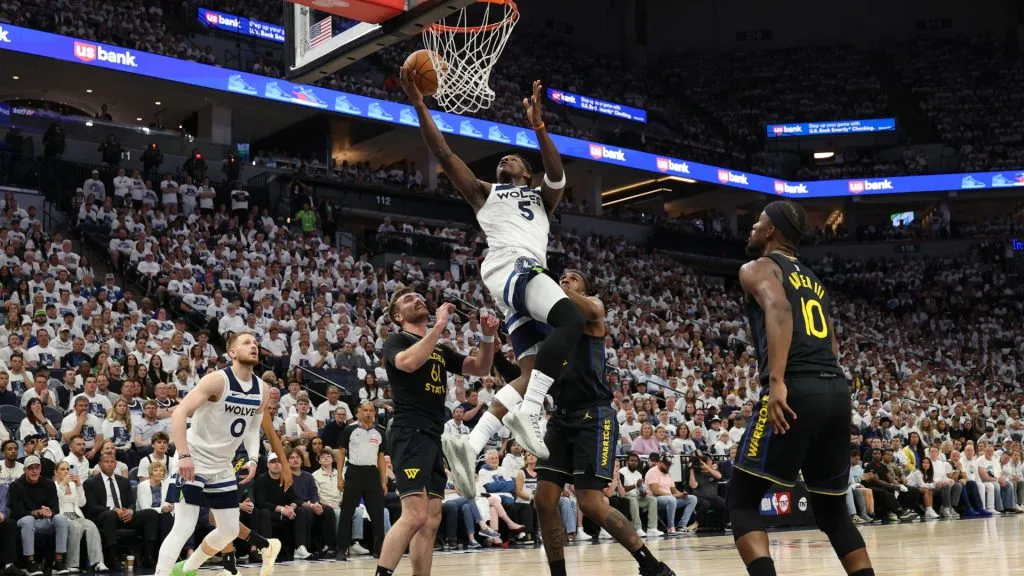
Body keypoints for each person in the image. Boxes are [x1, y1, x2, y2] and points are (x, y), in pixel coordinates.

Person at [401, 67, 581, 474]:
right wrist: (418, 105)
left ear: (526, 174)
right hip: (513, 267)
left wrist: (539, 127)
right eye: (503, 158)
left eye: (513, 158)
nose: (505, 158)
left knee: (529, 373)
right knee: (571, 319)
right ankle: (532, 411)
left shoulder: (542, 198)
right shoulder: (485, 191)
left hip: (514, 285)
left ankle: (472, 441)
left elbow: (558, 174)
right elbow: (444, 154)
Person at [727, 200, 874, 576]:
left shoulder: (757, 268)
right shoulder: (813, 280)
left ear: (772, 230)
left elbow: (778, 308)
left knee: (742, 500)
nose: (752, 228)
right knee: (832, 511)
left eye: (757, 222)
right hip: (834, 388)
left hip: (796, 386)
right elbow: (834, 345)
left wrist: (776, 381)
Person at [533, 270, 673, 576]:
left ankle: (652, 566)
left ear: (585, 288)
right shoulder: (552, 328)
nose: (565, 279)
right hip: (561, 416)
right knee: (543, 499)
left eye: (573, 278)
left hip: (593, 415)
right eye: (563, 277)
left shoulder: (590, 314)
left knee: (591, 503)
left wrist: (549, 285)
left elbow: (594, 308)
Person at [375, 289, 497, 576]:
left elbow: (480, 367)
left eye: (419, 296)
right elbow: (408, 363)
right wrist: (440, 324)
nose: (417, 299)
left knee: (430, 519)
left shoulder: (439, 349)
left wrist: (489, 337)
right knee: (414, 514)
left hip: (432, 434)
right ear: (397, 316)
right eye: (407, 300)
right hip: (409, 432)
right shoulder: (397, 339)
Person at [155, 332, 280, 576]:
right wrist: (183, 456)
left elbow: (253, 427)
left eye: (255, 343)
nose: (253, 346)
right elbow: (179, 413)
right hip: (193, 459)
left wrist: (253, 458)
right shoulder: (217, 380)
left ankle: (186, 569)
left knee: (229, 530)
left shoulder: (263, 390)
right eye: (246, 343)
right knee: (184, 526)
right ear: (232, 352)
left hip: (223, 464)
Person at [83, 452, 159, 568]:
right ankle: (113, 557)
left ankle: (148, 556)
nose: (110, 464)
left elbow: (131, 503)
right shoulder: (90, 483)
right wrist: (113, 509)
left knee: (151, 514)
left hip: (125, 516)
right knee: (111, 514)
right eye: (106, 462)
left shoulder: (123, 481)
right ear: (99, 464)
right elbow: (91, 507)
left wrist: (130, 511)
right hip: (104, 516)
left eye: (112, 462)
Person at [335, 401, 386, 560]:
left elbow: (381, 458)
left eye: (371, 410)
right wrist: (339, 476)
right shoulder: (349, 430)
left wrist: (383, 481)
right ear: (358, 413)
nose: (368, 413)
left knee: (378, 515)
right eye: (365, 410)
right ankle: (342, 550)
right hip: (354, 473)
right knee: (346, 513)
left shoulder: (380, 432)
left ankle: (379, 550)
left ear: (375, 413)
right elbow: (341, 453)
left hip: (372, 474)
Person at [11, 455, 68, 575]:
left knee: (61, 518)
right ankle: (30, 562)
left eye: (36, 468)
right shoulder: (16, 485)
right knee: (28, 520)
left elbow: (55, 507)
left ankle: (58, 561)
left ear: (40, 469)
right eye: (30, 468)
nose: (34, 471)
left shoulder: (49, 483)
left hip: (44, 521)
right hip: (24, 521)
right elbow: (17, 512)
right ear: (25, 470)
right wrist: (36, 512)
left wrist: (50, 512)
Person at [54, 460, 107, 573]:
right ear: (56, 472)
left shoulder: (73, 485)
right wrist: (63, 484)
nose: (66, 472)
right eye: (62, 469)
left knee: (91, 525)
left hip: (77, 515)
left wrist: (78, 486)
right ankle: (71, 563)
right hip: (62, 517)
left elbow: (82, 503)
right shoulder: (53, 485)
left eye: (67, 469)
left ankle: (98, 562)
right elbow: (56, 502)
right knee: (76, 526)